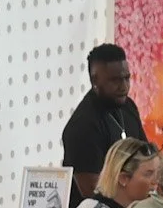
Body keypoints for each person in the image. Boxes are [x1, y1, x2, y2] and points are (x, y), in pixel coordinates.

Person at [61, 43, 148, 199]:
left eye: (126, 78)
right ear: (95, 80)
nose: (124, 86)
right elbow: (93, 193)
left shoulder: (128, 106)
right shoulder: (82, 126)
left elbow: (146, 157)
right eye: (115, 80)